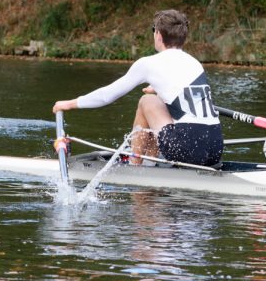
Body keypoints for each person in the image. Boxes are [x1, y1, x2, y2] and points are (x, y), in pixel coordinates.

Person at [52, 9, 224, 167]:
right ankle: (150, 162)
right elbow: (183, 96)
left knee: (146, 101)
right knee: (158, 102)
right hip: (216, 147)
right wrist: (158, 90)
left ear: (158, 34)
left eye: (154, 30)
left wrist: (69, 104)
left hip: (188, 148)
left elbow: (107, 95)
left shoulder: (148, 63)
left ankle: (135, 164)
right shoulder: (194, 64)